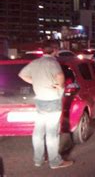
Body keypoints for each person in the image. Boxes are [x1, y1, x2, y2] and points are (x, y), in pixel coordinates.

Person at [18, 41, 73, 169]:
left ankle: (38, 159)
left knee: (38, 132)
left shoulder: (36, 62)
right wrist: (60, 85)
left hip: (40, 101)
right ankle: (55, 162)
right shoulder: (53, 62)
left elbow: (22, 74)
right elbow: (59, 75)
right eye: (57, 50)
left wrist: (35, 82)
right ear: (54, 50)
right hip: (52, 100)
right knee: (52, 133)